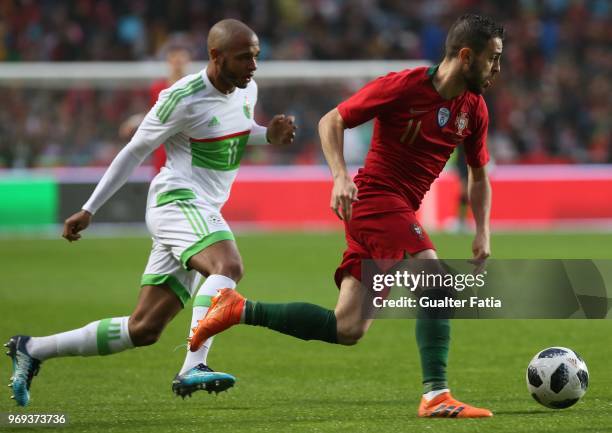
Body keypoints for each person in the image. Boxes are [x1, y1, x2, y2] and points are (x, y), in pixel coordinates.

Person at [188, 14, 503, 418]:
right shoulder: (403, 86)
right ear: (465, 56)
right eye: (492, 59)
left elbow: (478, 175)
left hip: (392, 210)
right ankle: (436, 395)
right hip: (375, 199)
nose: (497, 69)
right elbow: (331, 120)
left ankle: (237, 308)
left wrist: (483, 231)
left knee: (347, 327)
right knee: (436, 280)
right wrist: (339, 176)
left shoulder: (474, 109)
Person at [6, 19, 296, 407]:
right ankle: (194, 365)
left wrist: (268, 135)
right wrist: (90, 208)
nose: (253, 66)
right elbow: (133, 151)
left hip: (200, 210)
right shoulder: (181, 97)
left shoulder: (247, 89)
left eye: (256, 57)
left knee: (144, 328)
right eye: (244, 57)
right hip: (177, 201)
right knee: (227, 267)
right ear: (216, 56)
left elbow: (238, 130)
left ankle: (32, 348)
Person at [118, 36, 193, 175]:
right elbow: (155, 115)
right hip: (163, 148)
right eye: (174, 54)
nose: (178, 59)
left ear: (188, 59)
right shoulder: (157, 88)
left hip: (188, 149)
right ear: (168, 59)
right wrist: (135, 121)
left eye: (181, 55)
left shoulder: (195, 88)